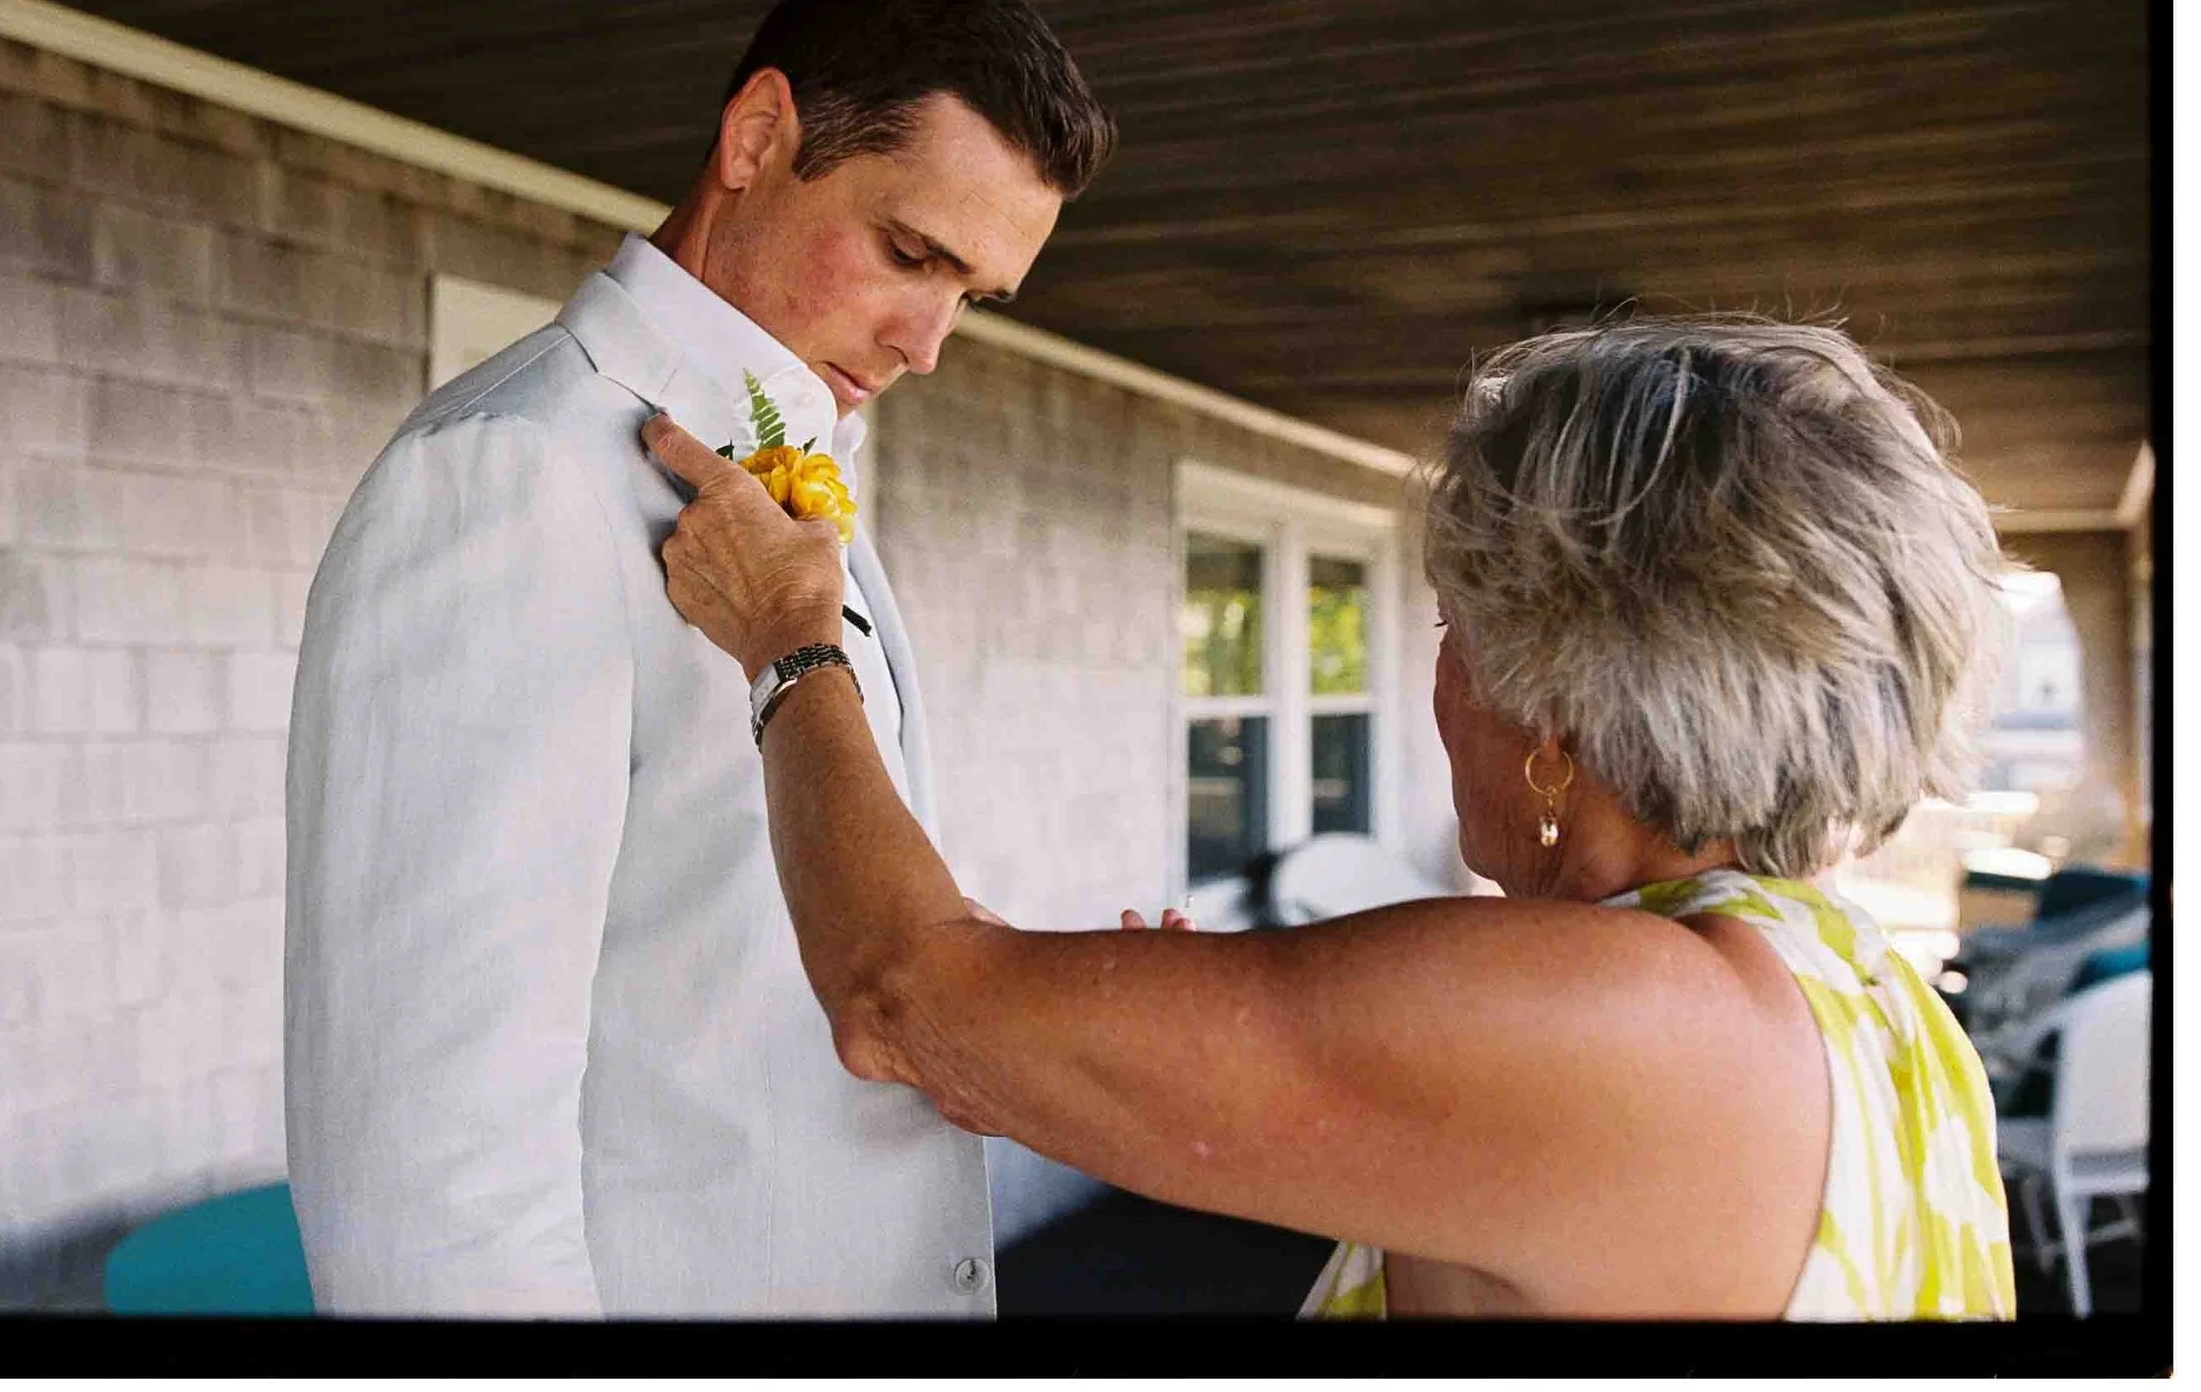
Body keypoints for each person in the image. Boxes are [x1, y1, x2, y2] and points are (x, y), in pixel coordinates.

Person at [643, 317, 2020, 1318]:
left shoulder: (1620, 1020)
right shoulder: (1867, 996)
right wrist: (1209, 1067)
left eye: (1450, 628)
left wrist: (792, 641)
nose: (1435, 675)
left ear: (1553, 713)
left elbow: (906, 996)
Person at [284, 0, 1115, 1315]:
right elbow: (428, 1164)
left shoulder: (793, 468)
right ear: (758, 135)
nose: (928, 344)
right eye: (912, 253)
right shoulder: (513, 476)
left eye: (971, 296)